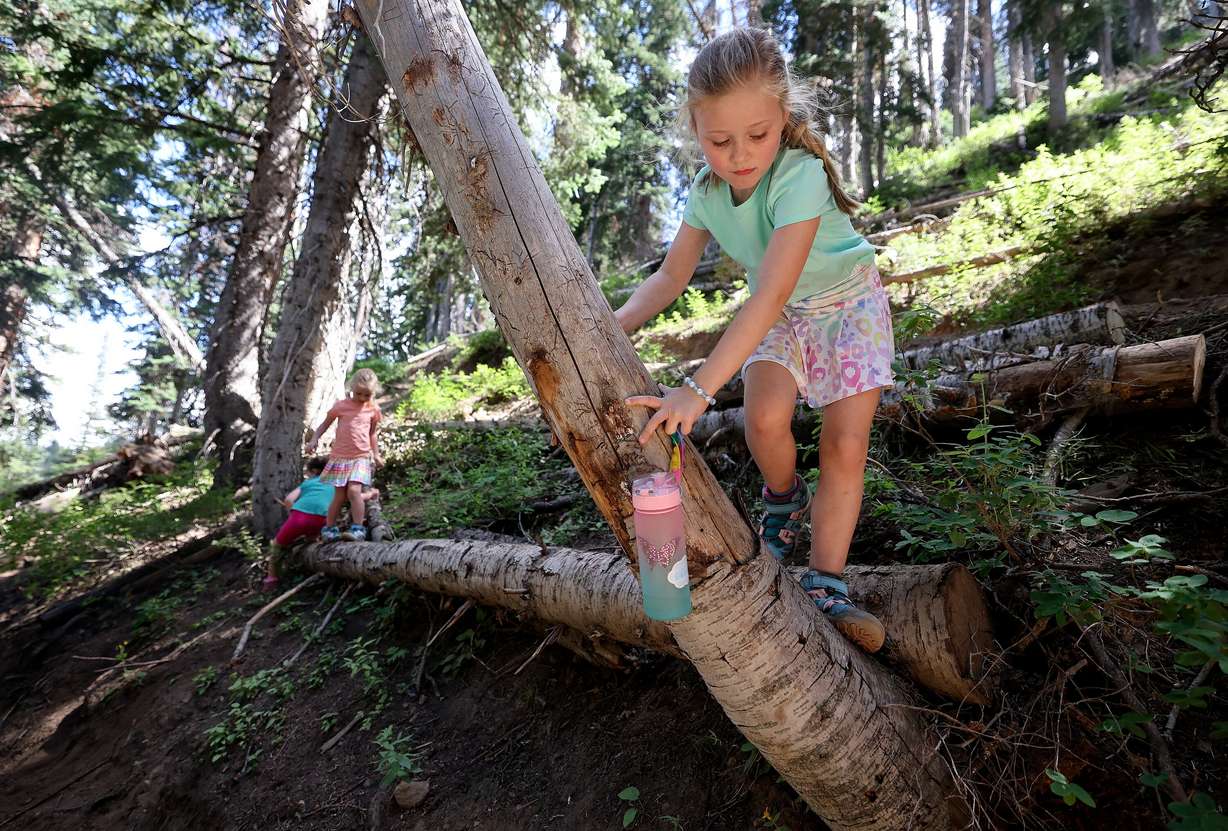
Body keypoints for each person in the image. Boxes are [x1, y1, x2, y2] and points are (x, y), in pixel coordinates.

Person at [619, 28, 893, 653]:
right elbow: (668, 277)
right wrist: (610, 328)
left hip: (846, 306)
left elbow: (767, 292)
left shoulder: (799, 176)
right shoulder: (706, 193)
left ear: (783, 118)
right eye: (719, 141)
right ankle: (784, 499)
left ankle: (826, 581)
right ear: (695, 130)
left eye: (758, 135)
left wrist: (696, 388)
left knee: (846, 447)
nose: (740, 154)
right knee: (764, 420)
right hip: (782, 313)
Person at [306, 367, 385, 543]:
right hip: (340, 457)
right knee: (339, 495)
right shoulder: (341, 406)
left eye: (367, 395)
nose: (363, 398)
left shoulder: (373, 410)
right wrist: (314, 440)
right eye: (359, 394)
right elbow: (324, 425)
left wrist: (376, 454)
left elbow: (372, 434)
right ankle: (330, 528)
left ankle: (358, 528)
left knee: (354, 491)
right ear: (351, 388)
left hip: (361, 457)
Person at [264, 457, 331, 590]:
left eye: (308, 472)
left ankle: (271, 579)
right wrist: (369, 495)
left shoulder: (307, 483)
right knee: (312, 539)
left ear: (315, 471)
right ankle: (315, 566)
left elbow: (288, 500)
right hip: (322, 519)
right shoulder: (335, 484)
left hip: (299, 517)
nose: (307, 475)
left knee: (277, 546)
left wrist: (292, 512)